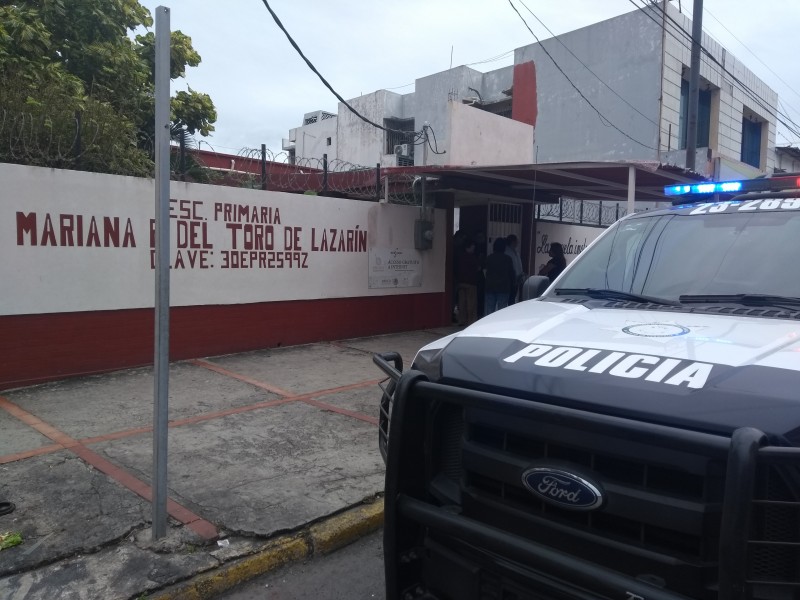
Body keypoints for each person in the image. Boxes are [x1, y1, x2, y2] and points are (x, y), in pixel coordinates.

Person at [484, 237, 515, 316]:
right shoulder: (508, 259)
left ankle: (489, 325)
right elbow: (511, 273)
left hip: (490, 286)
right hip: (503, 287)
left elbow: (484, 271)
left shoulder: (489, 258)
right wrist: (513, 284)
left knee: (490, 309)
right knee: (501, 309)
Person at [455, 238, 480, 326]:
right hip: (471, 283)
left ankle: (462, 320)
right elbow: (477, 268)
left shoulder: (459, 256)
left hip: (461, 283)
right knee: (471, 303)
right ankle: (471, 321)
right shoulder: (472, 257)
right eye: (473, 247)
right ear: (468, 247)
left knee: (462, 303)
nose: (473, 249)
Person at [505, 234, 524, 304]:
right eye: (516, 241)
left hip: (517, 278)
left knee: (513, 296)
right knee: (510, 297)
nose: (517, 243)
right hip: (510, 278)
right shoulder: (506, 252)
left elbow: (518, 265)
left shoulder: (516, 252)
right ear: (513, 242)